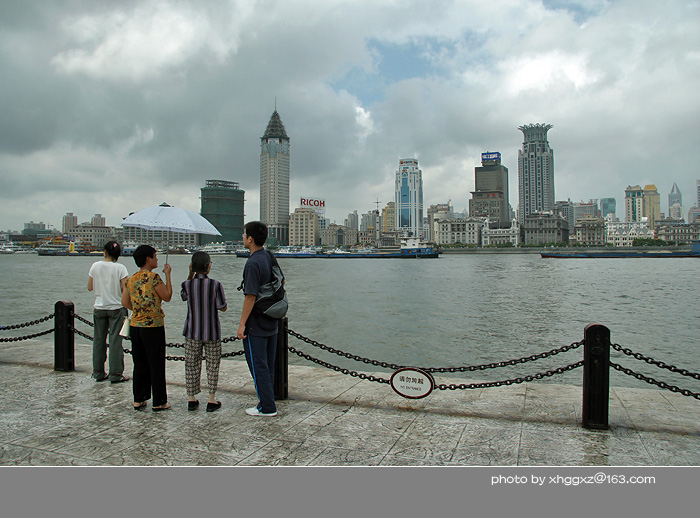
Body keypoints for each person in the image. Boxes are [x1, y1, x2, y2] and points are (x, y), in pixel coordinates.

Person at [237, 221, 282, 417]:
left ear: (250, 239)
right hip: (272, 318)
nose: (243, 237)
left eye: (244, 234)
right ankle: (267, 400)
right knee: (268, 364)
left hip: (256, 322)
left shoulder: (253, 262)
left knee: (257, 365)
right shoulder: (268, 256)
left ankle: (266, 407)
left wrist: (241, 324)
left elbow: (250, 296)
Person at [122, 245, 173, 411]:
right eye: (155, 256)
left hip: (136, 325)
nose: (157, 259)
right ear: (148, 259)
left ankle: (139, 398)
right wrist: (168, 276)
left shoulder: (131, 279)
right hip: (153, 326)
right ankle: (159, 401)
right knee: (156, 363)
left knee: (140, 362)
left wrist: (138, 309)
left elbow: (125, 302)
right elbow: (167, 296)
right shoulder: (154, 278)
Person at [181, 251, 227, 412]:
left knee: (191, 365)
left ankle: (191, 399)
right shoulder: (216, 285)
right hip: (212, 331)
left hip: (192, 331)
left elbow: (183, 296)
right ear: (208, 267)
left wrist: (189, 274)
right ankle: (211, 399)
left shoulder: (187, 284)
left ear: (192, 267)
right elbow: (223, 307)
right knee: (213, 365)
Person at [87, 241, 130, 383]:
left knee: (98, 340)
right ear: (118, 255)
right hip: (117, 308)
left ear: (104, 252)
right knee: (115, 342)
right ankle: (115, 374)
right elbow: (126, 289)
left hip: (99, 307)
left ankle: (98, 372)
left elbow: (89, 287)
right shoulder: (121, 268)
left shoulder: (95, 266)